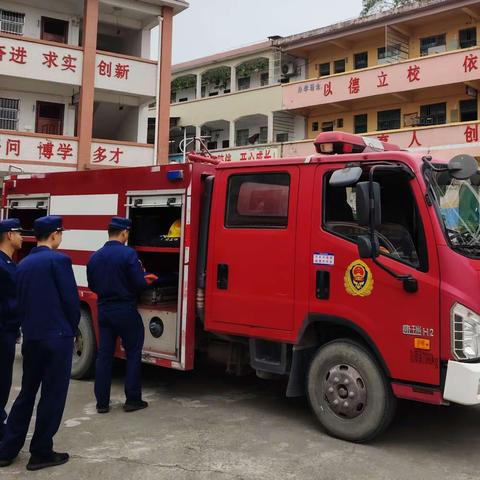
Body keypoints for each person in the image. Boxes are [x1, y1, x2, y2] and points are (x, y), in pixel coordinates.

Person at [0, 216, 80, 471]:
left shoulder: (22, 264)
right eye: (61, 233)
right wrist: (72, 328)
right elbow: (70, 302)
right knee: (52, 395)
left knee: (26, 393)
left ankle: (7, 449)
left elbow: (19, 301)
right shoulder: (60, 260)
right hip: (57, 338)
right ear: (55, 235)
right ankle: (41, 451)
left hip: (32, 339)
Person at [87, 217, 157, 414]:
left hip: (104, 311)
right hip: (125, 310)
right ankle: (132, 400)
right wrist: (147, 280)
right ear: (124, 233)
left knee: (104, 356)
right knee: (133, 353)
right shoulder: (128, 254)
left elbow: (93, 285)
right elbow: (137, 283)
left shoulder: (95, 257)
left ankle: (102, 403)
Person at [0, 219, 23, 442]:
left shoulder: (7, 262)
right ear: (9, 235)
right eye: (18, 232)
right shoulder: (2, 265)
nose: (22, 236)